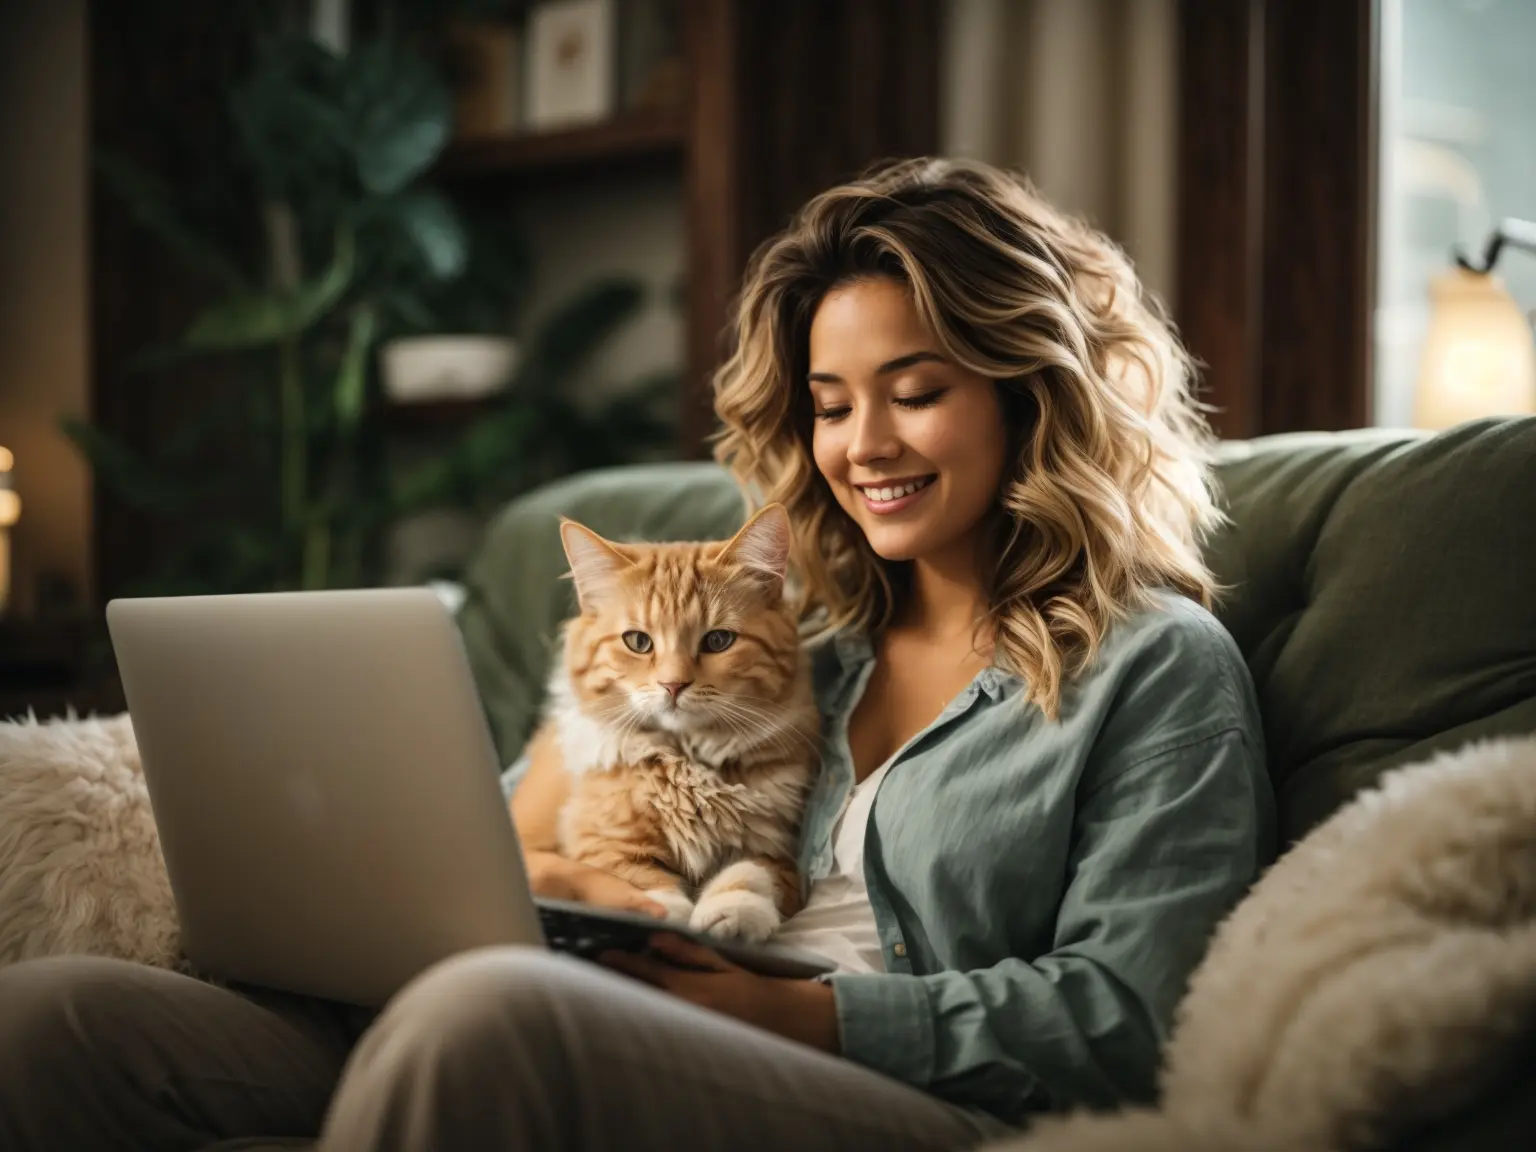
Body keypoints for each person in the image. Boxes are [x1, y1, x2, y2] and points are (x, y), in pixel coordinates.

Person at [0, 157, 1275, 1152]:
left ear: (1028, 387)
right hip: (633, 994)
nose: (863, 443)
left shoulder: (1153, 665)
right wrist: (551, 882)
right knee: (55, 1022)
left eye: (917, 388)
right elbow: (521, 837)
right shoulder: (793, 631)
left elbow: (1135, 1010)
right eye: (830, 405)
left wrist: (793, 1009)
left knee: (482, 1025)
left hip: (887, 1085)